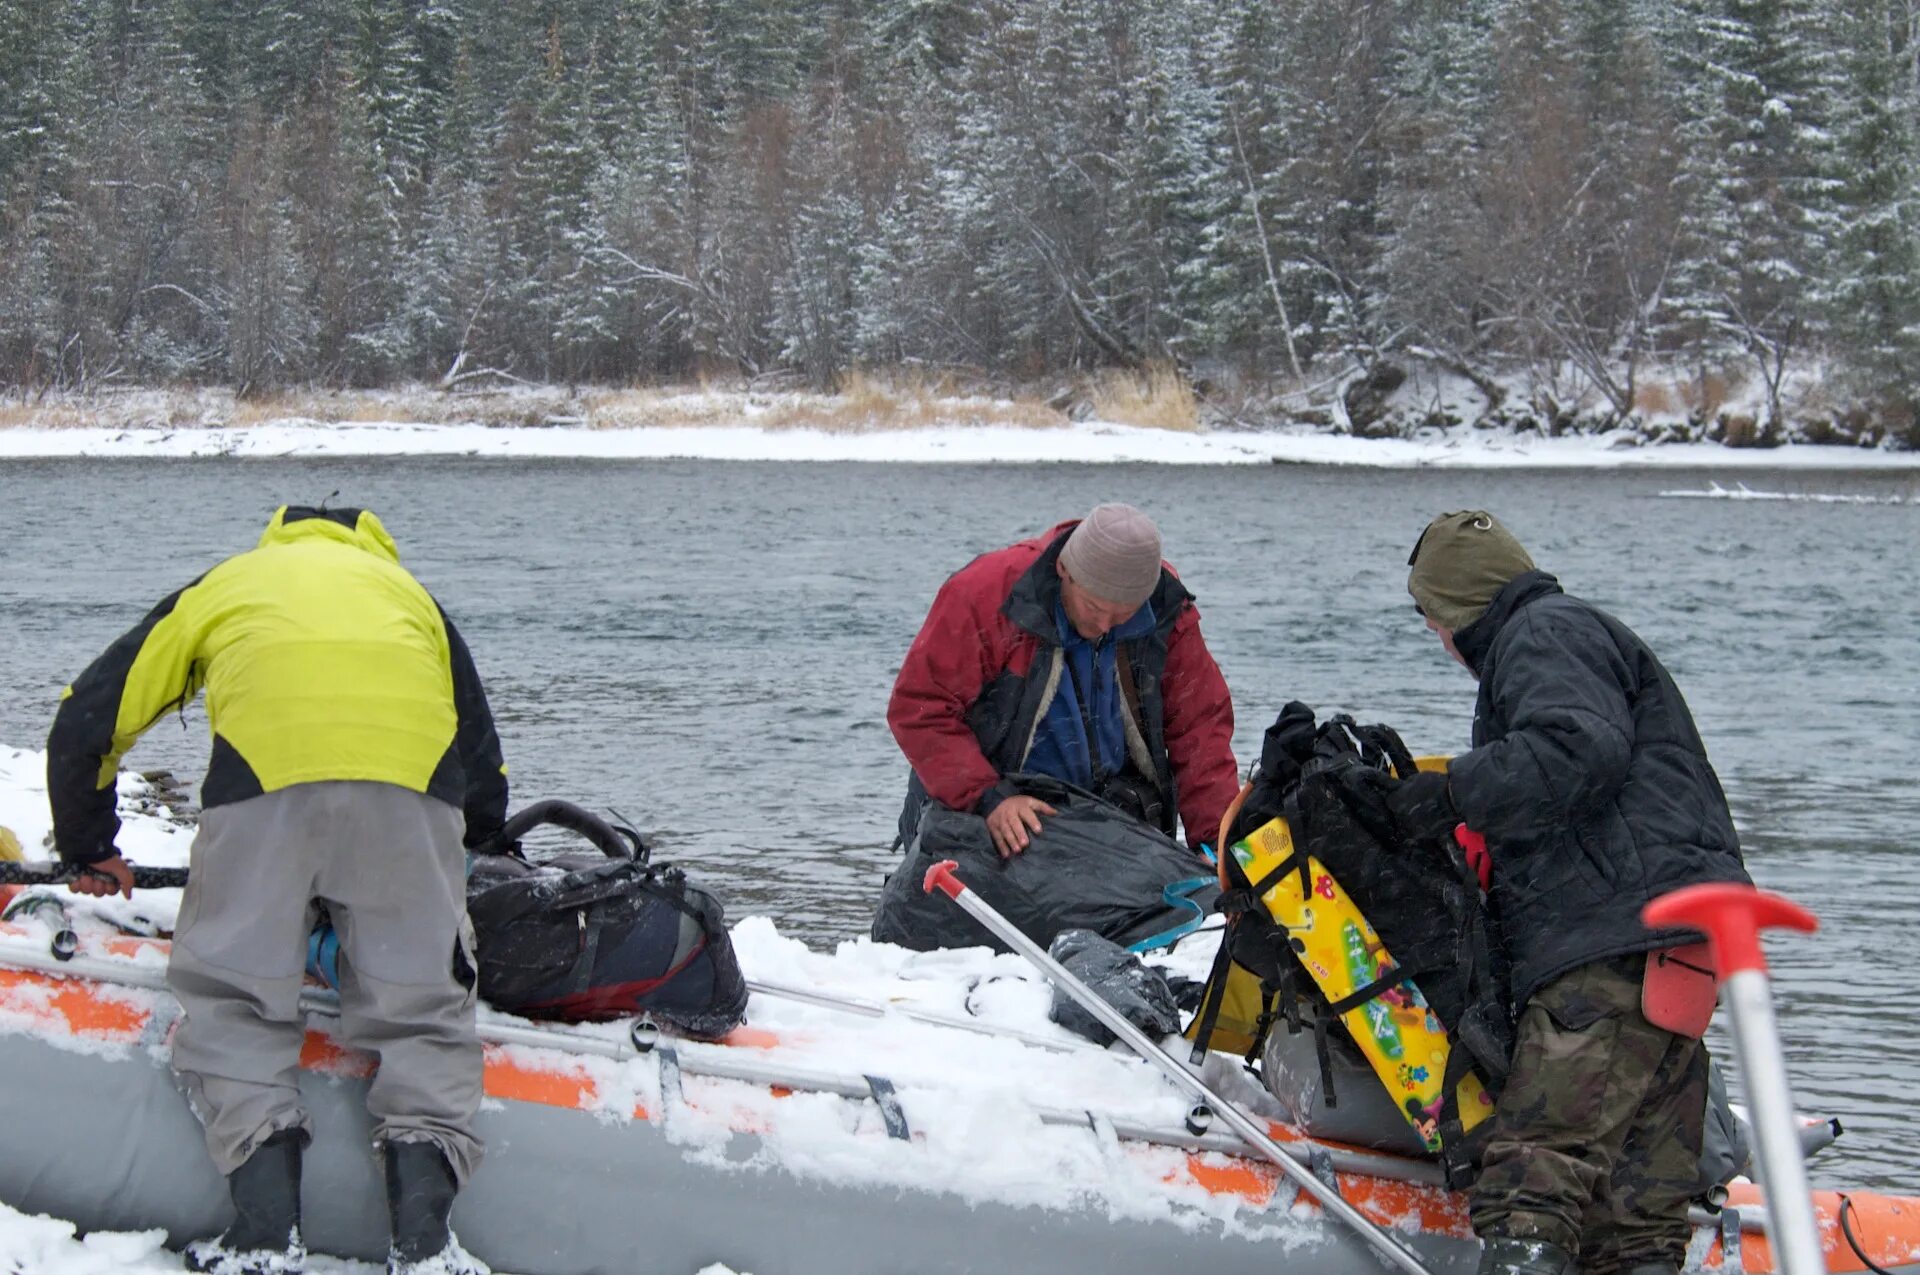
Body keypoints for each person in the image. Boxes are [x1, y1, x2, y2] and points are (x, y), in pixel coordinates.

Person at [47, 504, 508, 1275]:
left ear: (277, 537)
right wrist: (473, 856)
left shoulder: (230, 583)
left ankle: (265, 1239)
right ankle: (425, 1249)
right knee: (426, 1013)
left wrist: (91, 846)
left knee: (233, 999)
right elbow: (483, 760)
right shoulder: (409, 595)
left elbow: (87, 717)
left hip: (264, 788)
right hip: (411, 797)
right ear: (370, 543)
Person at [1388, 510, 1752, 1275]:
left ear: (1455, 608)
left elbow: (1576, 746)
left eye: (1433, 621)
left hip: (1607, 948)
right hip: (1681, 945)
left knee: (1534, 1178)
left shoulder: (1541, 634)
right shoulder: (1583, 633)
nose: (1440, 641)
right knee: (1634, 1214)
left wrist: (1452, 789)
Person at [887, 502, 1237, 860]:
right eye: (1094, 608)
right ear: (1063, 569)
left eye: (1124, 615)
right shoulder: (985, 594)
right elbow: (921, 708)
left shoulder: (1167, 611)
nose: (1104, 627)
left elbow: (1200, 730)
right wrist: (987, 797)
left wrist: (1217, 842)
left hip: (1115, 823)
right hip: (988, 805)